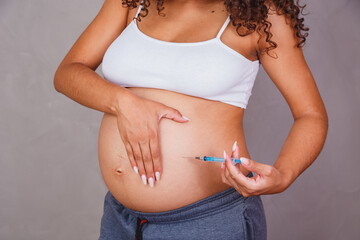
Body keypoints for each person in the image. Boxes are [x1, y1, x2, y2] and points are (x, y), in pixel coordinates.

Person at [54, 0, 328, 239]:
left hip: (208, 221)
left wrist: (283, 174)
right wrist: (123, 102)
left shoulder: (261, 17)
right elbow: (68, 72)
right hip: (121, 219)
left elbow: (310, 115)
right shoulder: (132, 2)